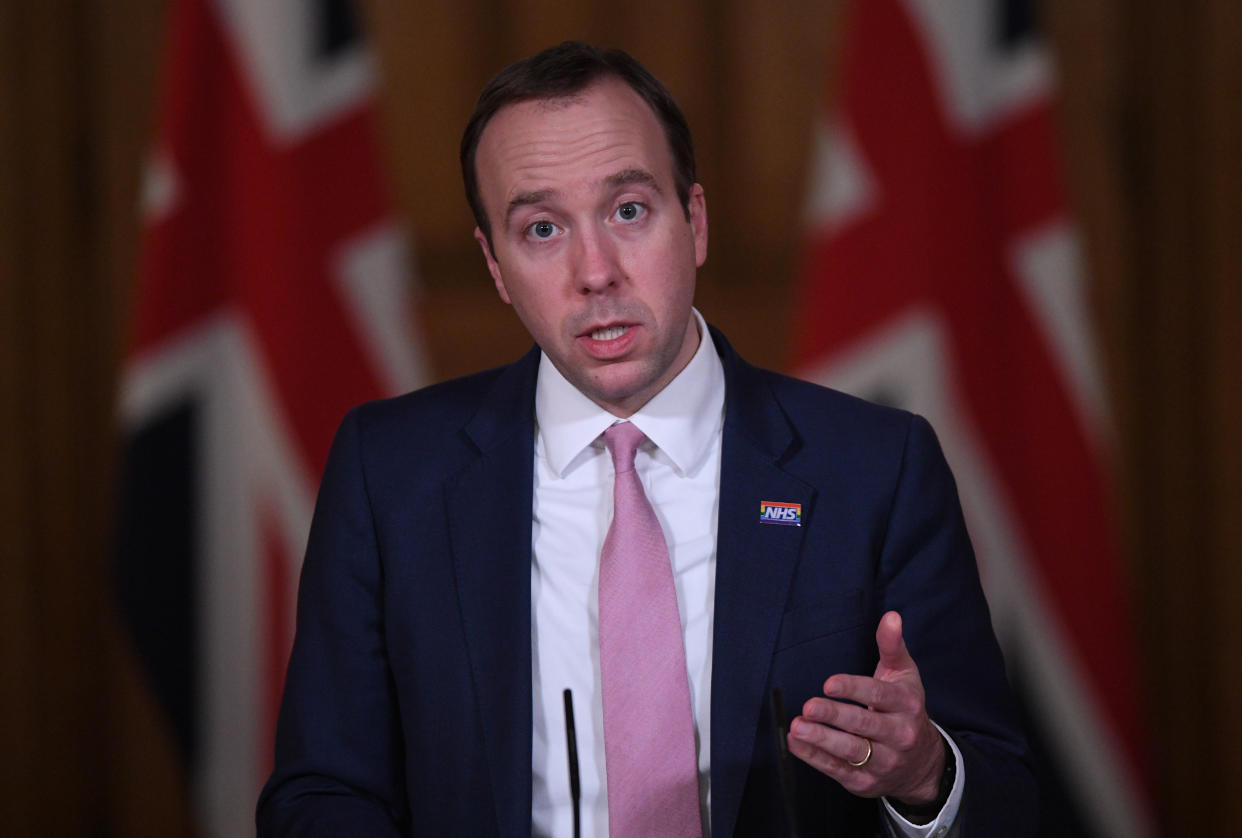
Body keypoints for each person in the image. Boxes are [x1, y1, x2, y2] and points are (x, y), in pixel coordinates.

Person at [257, 41, 1034, 837]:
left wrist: (925, 775)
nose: (596, 272)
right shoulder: (391, 474)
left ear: (693, 222)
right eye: (542, 229)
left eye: (628, 211)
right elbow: (321, 793)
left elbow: (1008, 798)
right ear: (496, 266)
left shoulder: (877, 468)